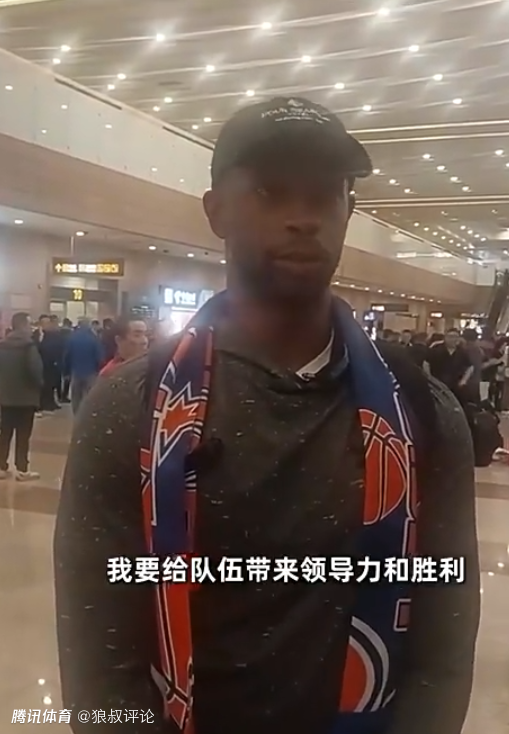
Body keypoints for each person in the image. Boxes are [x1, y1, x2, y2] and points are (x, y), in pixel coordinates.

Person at [55, 96, 479, 734]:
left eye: (325, 196)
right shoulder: (133, 407)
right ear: (216, 211)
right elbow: (100, 668)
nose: (303, 219)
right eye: (270, 192)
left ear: (348, 211)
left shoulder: (421, 410)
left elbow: (441, 655)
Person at [0, 312, 43, 481]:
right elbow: (35, 371)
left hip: (5, 398)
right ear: (23, 325)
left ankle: (1, 466)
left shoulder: (2, 345)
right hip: (26, 399)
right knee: (23, 435)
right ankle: (22, 469)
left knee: (4, 433)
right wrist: (39, 385)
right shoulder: (29, 347)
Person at [63, 317, 103, 414]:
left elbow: (67, 356)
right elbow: (99, 357)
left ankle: (77, 415)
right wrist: (99, 370)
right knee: (90, 396)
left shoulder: (72, 338)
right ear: (88, 325)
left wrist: (66, 372)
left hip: (76, 372)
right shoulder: (94, 339)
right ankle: (88, 415)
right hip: (91, 372)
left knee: (76, 396)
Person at [426, 328, 473, 400]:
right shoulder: (436, 349)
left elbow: (470, 367)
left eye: (455, 337)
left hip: (455, 386)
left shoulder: (462, 352)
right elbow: (426, 363)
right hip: (437, 384)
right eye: (450, 336)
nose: (453, 339)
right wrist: (429, 378)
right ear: (445, 338)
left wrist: (463, 380)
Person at [36, 314, 63, 412]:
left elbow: (56, 346)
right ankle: (43, 403)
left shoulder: (52, 334)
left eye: (48, 322)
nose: (48, 325)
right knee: (44, 384)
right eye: (45, 323)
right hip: (41, 363)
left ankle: (51, 402)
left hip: (51, 362)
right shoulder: (36, 334)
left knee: (51, 383)